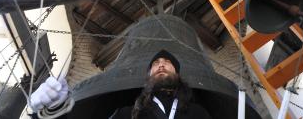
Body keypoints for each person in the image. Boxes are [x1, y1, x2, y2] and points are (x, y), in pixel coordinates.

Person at [30, 50, 212, 119]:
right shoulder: (127, 115)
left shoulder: (198, 114)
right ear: (148, 76)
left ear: (177, 74)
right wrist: (52, 113)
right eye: (155, 63)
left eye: (167, 62)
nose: (161, 64)